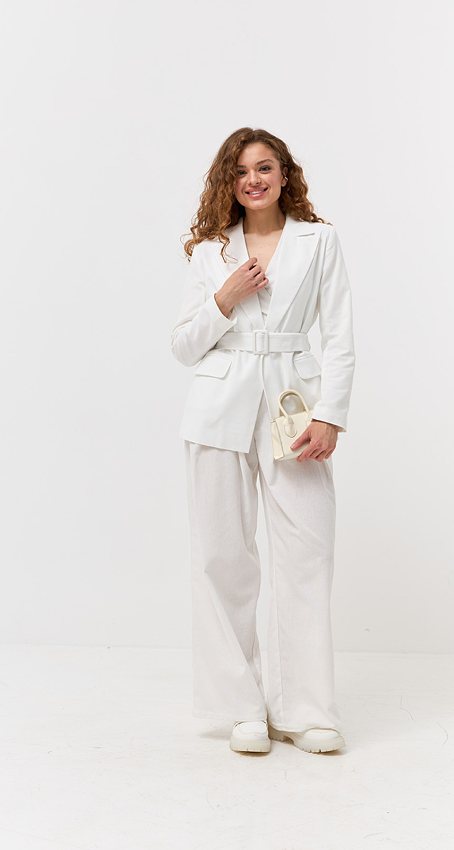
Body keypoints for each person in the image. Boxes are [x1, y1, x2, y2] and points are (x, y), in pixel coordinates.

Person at [170, 127, 356, 754]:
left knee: (307, 551)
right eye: (242, 170)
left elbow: (339, 336)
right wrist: (224, 300)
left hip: (293, 406)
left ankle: (307, 710)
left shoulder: (319, 240)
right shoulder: (209, 251)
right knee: (222, 555)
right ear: (229, 181)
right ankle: (241, 707)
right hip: (217, 409)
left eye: (265, 167)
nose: (254, 179)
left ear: (283, 174)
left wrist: (331, 414)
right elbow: (183, 347)